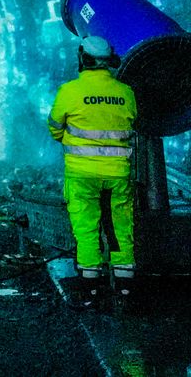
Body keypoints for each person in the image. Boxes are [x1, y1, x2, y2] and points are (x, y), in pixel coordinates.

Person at [49, 34, 138, 306]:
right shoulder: (125, 92)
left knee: (86, 228)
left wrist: (70, 140)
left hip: (82, 174)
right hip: (117, 174)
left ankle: (90, 288)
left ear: (82, 58)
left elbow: (54, 127)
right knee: (119, 227)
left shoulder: (69, 92)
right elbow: (133, 125)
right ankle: (124, 287)